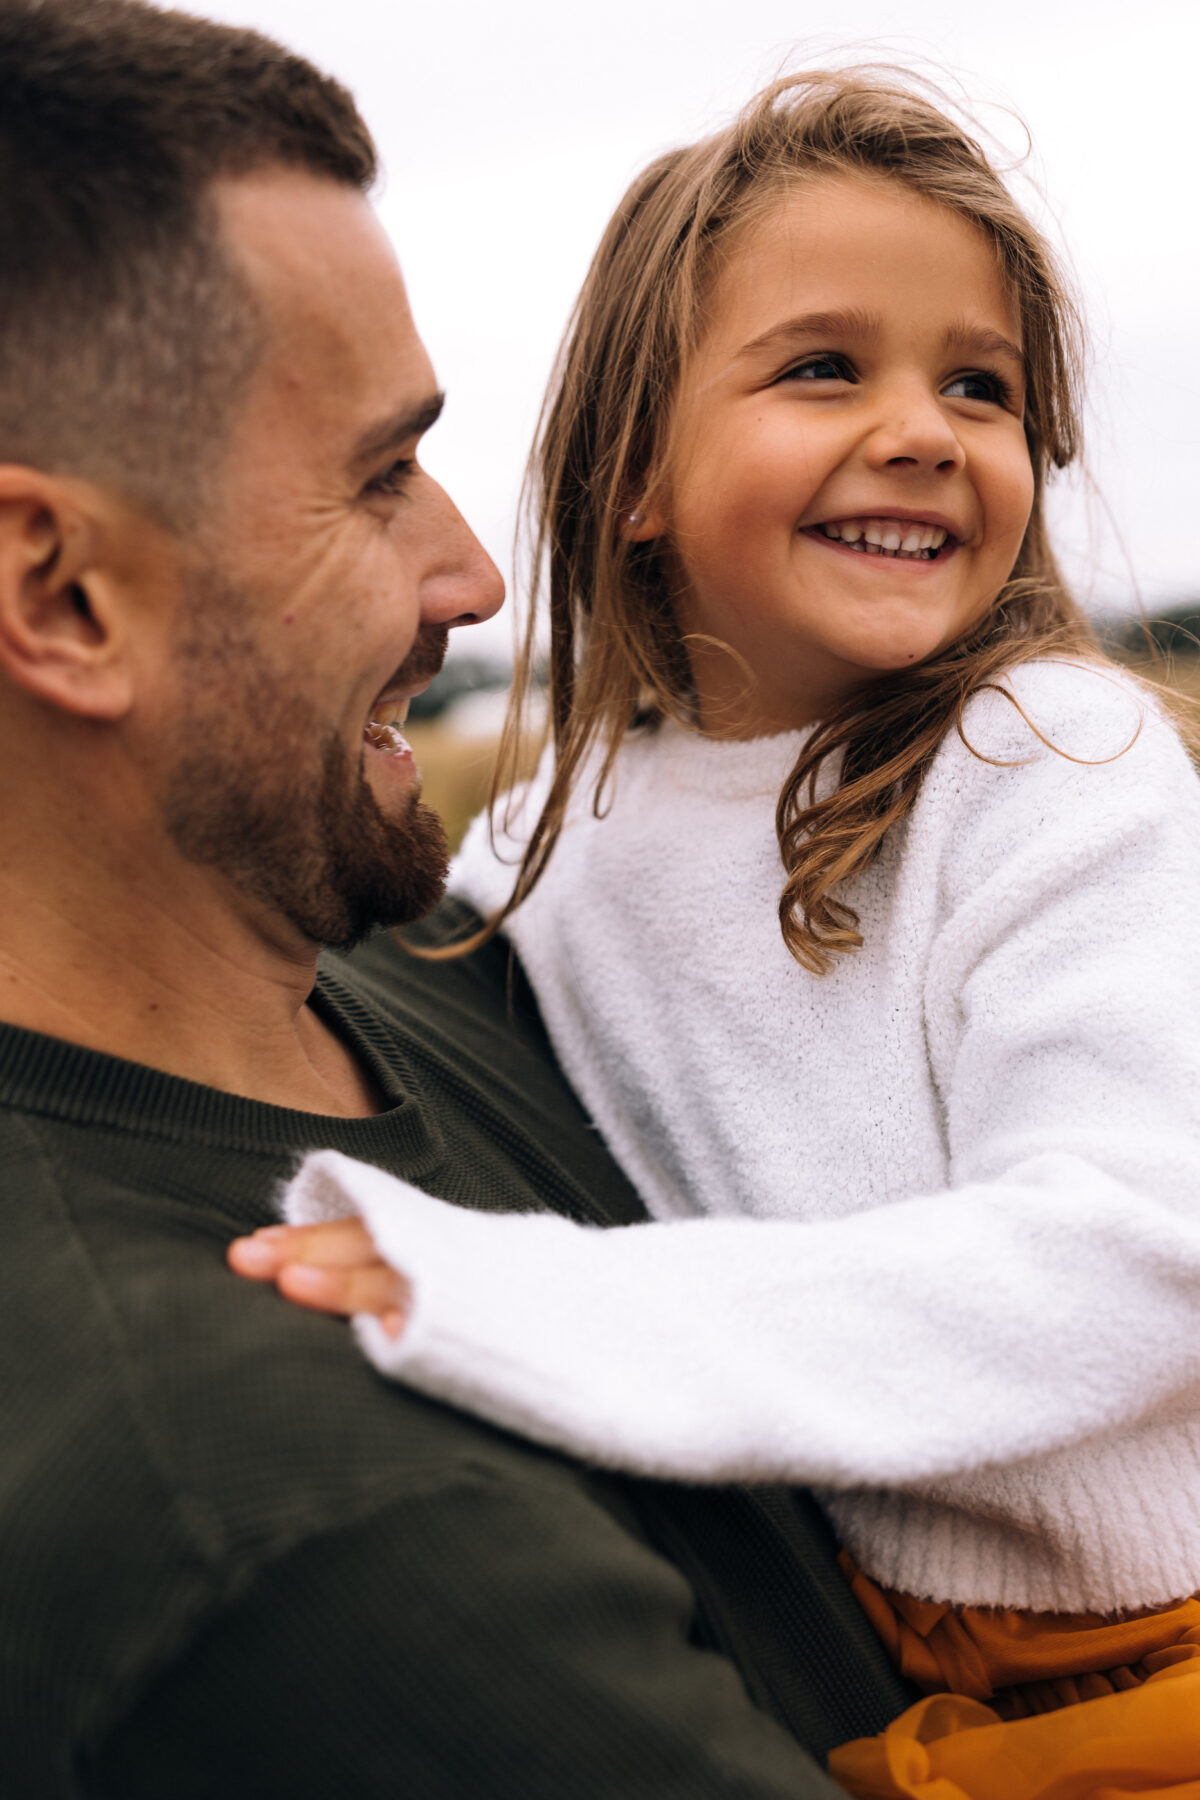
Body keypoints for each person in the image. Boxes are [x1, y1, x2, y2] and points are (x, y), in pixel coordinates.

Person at [232, 73, 1200, 1796]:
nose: (923, 427)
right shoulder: (556, 837)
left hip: (1152, 1646)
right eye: (825, 366)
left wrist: (540, 1307)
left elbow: (1143, 1257)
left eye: (979, 386)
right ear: (631, 475)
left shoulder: (1050, 762)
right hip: (872, 1630)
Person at [0, 4, 922, 1794]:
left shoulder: (464, 965)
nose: (475, 572)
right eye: (375, 474)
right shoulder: (284, 1527)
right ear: (61, 596)